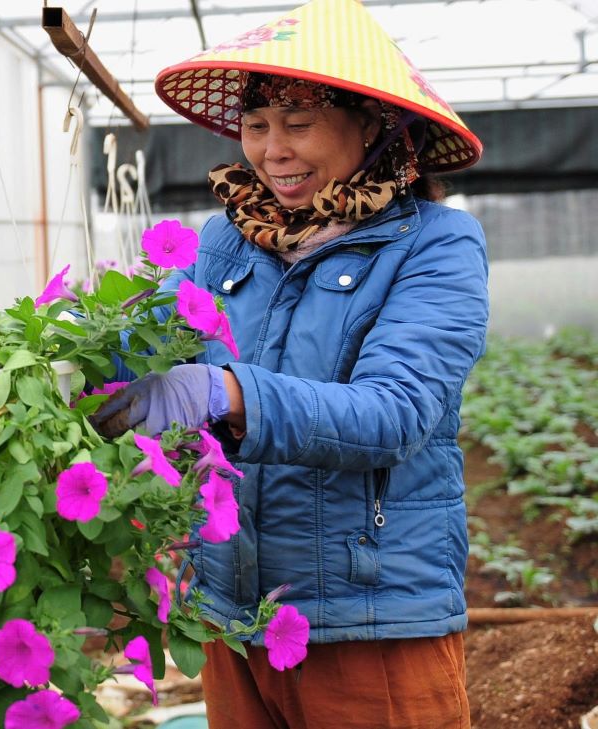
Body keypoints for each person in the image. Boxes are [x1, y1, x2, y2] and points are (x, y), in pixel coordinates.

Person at [91, 0, 487, 726]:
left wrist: (224, 391)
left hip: (371, 621)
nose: (273, 149)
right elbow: (138, 341)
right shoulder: (226, 242)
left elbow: (394, 412)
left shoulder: (438, 245)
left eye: (299, 123)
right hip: (234, 617)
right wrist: (70, 357)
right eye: (257, 125)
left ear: (372, 124)